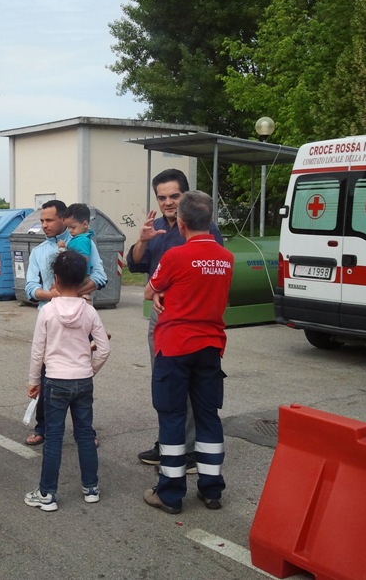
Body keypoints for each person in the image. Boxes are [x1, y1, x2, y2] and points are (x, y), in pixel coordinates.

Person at [141, 190, 233, 514]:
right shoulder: (226, 257)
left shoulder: (175, 256)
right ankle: (211, 489)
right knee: (208, 417)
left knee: (172, 417)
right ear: (209, 222)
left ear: (181, 224)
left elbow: (149, 290)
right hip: (210, 347)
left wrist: (158, 292)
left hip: (175, 346)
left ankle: (169, 492)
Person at [127, 169, 224, 470]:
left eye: (174, 196)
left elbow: (210, 273)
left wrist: (160, 290)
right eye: (162, 197)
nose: (168, 202)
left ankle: (191, 450)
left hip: (192, 322)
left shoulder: (205, 229)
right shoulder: (154, 227)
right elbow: (134, 263)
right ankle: (169, 444)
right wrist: (142, 241)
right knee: (165, 387)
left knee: (192, 390)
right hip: (161, 320)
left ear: (186, 196)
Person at [24, 250, 111, 511]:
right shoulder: (89, 312)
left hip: (55, 381)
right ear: (83, 278)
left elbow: (38, 350)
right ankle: (91, 488)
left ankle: (47, 494)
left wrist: (33, 381)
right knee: (85, 434)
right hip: (83, 380)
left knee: (54, 437)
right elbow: (104, 348)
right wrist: (89, 369)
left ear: (56, 278)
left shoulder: (48, 311)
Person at [24, 200, 107, 446]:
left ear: (63, 220)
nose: (44, 225)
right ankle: (43, 427)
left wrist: (72, 291)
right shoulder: (39, 252)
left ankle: (86, 430)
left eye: (49, 220)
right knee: (44, 372)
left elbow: (100, 276)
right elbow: (30, 288)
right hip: (50, 317)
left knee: (80, 377)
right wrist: (51, 295)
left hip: (80, 316)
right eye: (41, 221)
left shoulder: (83, 242)